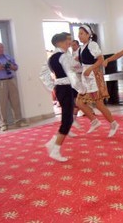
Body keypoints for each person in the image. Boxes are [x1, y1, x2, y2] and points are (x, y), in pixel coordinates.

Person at [40, 33, 86, 162]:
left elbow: (43, 74)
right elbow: (71, 74)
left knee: (68, 118)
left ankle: (52, 143)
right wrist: (81, 88)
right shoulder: (63, 56)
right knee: (67, 120)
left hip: (61, 88)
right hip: (65, 88)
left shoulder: (52, 57)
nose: (70, 43)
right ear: (59, 43)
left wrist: (53, 86)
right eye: (68, 41)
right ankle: (55, 150)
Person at [76, 25, 119, 137]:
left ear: (88, 34)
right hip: (86, 77)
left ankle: (113, 124)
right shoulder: (81, 48)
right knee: (79, 102)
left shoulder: (93, 45)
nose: (79, 36)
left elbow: (101, 59)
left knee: (99, 105)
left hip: (94, 76)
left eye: (81, 33)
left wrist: (90, 68)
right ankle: (94, 121)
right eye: (78, 33)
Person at [0, 42, 27, 131]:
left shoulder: (8, 57)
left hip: (11, 80)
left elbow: (16, 68)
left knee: (15, 102)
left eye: (2, 47)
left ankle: (18, 121)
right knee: (1, 104)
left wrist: (11, 66)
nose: (0, 49)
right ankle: (3, 124)